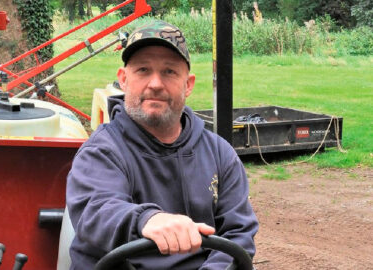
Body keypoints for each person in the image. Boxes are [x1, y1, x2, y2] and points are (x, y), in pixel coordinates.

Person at [66, 20, 258, 269]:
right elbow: (98, 212)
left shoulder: (220, 154)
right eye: (143, 70)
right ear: (123, 80)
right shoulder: (101, 151)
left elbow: (238, 235)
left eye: (169, 71)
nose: (155, 84)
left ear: (188, 84)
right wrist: (146, 220)